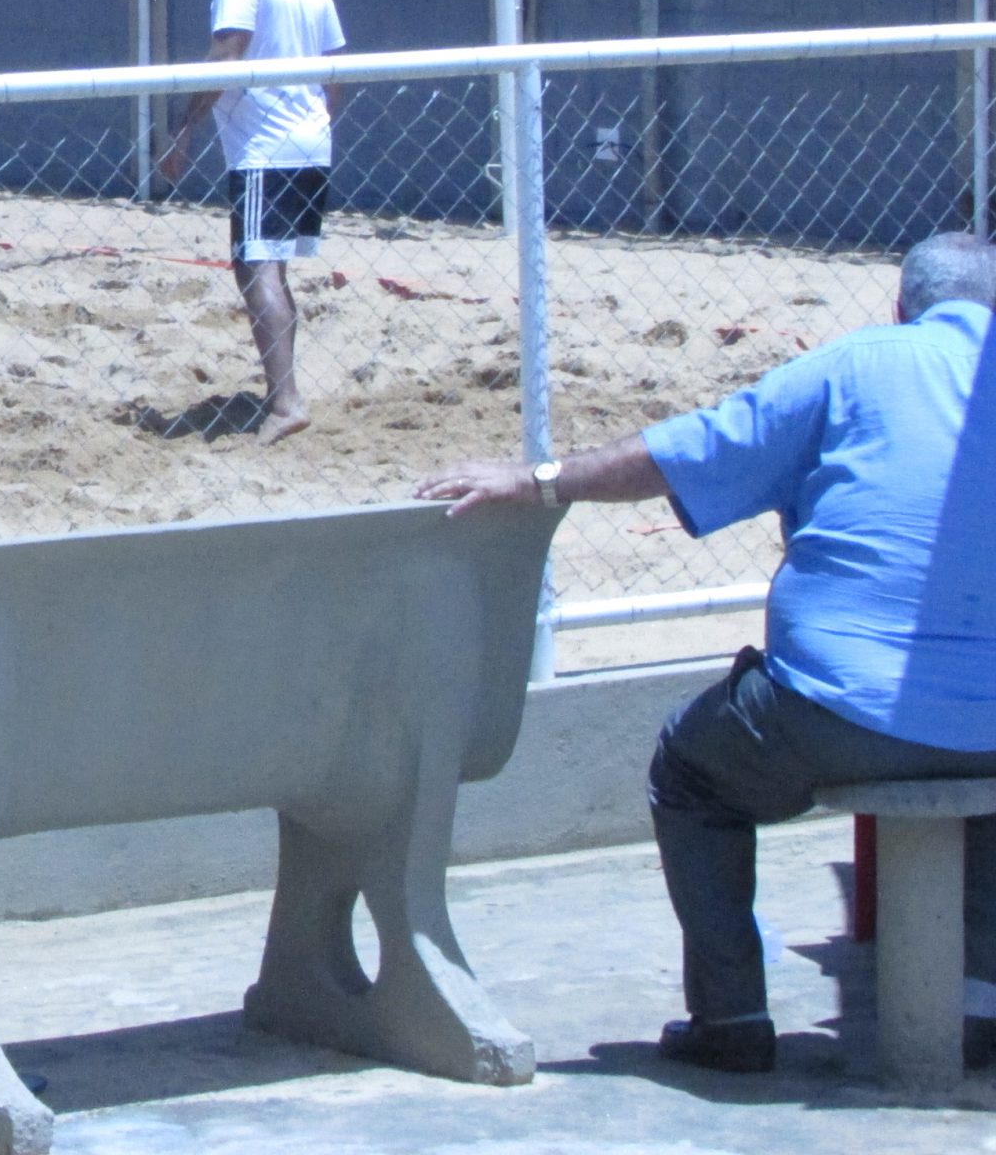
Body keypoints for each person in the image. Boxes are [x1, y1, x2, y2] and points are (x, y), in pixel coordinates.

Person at [417, 232, 996, 1074]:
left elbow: (688, 450)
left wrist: (542, 481)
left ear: (901, 307)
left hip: (836, 709)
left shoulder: (854, 365)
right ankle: (981, 1001)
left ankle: (732, 1017)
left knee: (690, 774)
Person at [155, 0, 346, 444]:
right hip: (309, 139)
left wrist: (181, 130)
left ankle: (286, 401)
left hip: (266, 147)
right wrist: (315, 124)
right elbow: (337, 69)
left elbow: (226, 55)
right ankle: (281, 392)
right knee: (271, 266)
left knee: (255, 267)